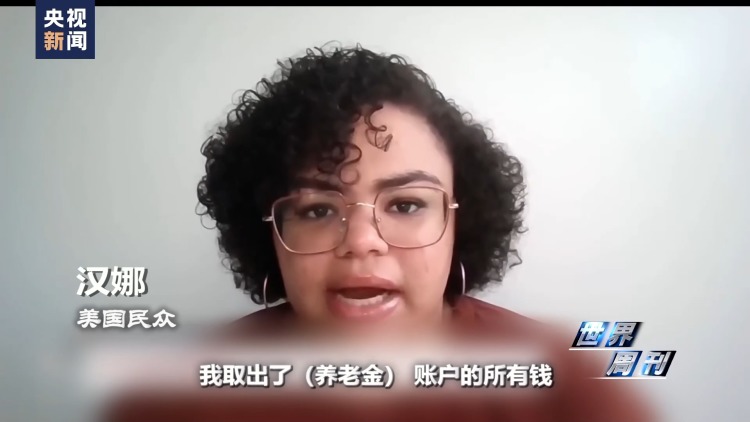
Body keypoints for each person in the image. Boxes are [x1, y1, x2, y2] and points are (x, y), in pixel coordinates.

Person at [105, 44, 658, 422]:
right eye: (317, 210)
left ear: (460, 222)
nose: (362, 241)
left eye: (407, 204)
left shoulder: (569, 388)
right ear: (269, 233)